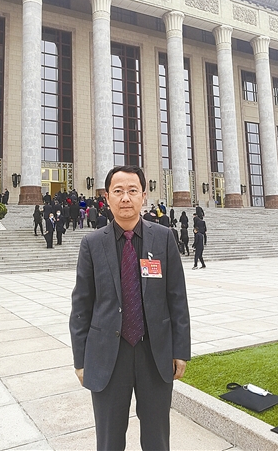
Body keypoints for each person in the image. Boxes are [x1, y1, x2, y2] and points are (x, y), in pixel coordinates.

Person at [70, 165, 190, 451]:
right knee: (109, 440)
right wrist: (80, 359)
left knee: (157, 438)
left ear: (144, 196)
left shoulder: (163, 238)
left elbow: (177, 297)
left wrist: (180, 350)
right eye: (118, 191)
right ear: (107, 197)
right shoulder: (92, 243)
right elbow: (81, 305)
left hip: (154, 353)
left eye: (132, 190)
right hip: (108, 356)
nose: (126, 197)